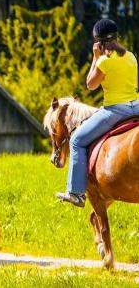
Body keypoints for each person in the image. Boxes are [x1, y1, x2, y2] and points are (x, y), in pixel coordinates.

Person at [56, 19, 139, 207]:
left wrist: (95, 57)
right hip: (137, 106)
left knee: (76, 140)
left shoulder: (104, 61)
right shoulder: (131, 57)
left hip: (116, 110)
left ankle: (75, 192)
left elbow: (90, 84)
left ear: (99, 42)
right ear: (117, 37)